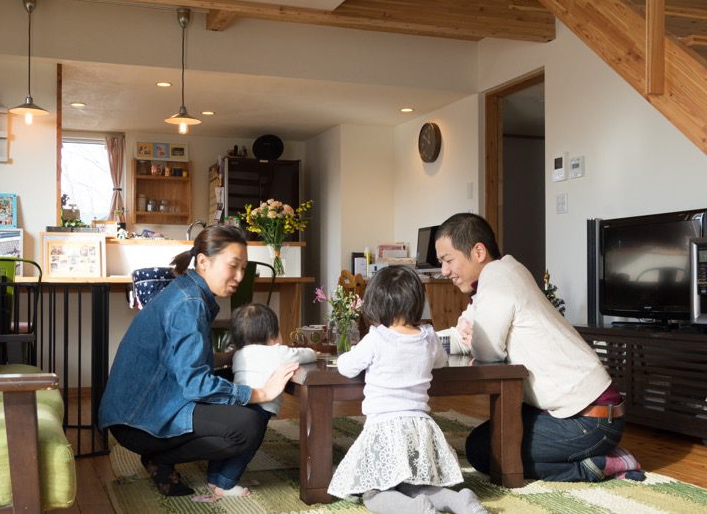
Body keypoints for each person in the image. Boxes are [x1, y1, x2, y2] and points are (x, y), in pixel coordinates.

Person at [435, 212, 643, 482]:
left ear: (478, 252)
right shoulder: (496, 278)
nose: (444, 271)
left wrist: (475, 338)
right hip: (578, 414)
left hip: (591, 420)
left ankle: (600, 464)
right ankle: (588, 453)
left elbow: (486, 352)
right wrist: (417, 339)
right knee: (491, 435)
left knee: (483, 451)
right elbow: (461, 337)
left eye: (448, 260)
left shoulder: (498, 278)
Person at [98, 225, 299, 497]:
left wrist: (227, 358)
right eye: (233, 266)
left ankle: (168, 456)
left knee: (240, 380)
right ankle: (160, 459)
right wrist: (261, 393)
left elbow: (182, 362)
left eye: (243, 268)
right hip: (139, 420)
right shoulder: (189, 303)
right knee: (247, 426)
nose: (240, 276)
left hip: (148, 405)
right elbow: (196, 384)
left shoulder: (187, 292)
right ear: (203, 262)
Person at [327, 265, 487, 514]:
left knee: (373, 493)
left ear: (377, 303)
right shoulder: (428, 336)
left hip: (385, 428)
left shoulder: (377, 338)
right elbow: (441, 361)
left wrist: (346, 355)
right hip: (420, 428)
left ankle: (416, 510)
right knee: (416, 485)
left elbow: (347, 367)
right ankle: (460, 501)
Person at [207, 303, 318, 497]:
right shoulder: (278, 353)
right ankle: (226, 484)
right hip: (258, 410)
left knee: (226, 444)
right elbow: (307, 354)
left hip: (235, 404)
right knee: (247, 448)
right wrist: (314, 352)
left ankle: (214, 478)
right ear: (272, 334)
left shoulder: (239, 353)